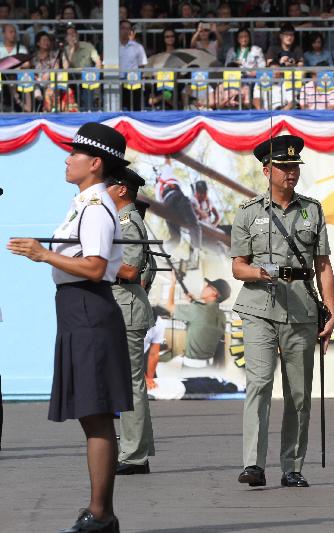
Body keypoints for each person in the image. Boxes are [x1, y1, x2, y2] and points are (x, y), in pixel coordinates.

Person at [7, 122, 133, 532]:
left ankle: (100, 513)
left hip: (88, 309)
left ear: (94, 163)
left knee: (95, 415)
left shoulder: (96, 207)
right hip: (77, 309)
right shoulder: (84, 203)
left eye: (74, 154)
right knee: (90, 415)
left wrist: (44, 256)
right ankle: (100, 512)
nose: (67, 158)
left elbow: (95, 267)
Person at [231, 135, 334, 489]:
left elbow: (323, 265)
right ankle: (253, 465)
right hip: (259, 306)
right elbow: (237, 267)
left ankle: (292, 465)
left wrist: (331, 310)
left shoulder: (313, 210)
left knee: (298, 392)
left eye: (294, 167)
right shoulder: (248, 212)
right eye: (283, 167)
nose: (291, 173)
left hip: (303, 309)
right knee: (258, 384)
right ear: (267, 170)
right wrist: (257, 272)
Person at [105, 167, 156, 476]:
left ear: (121, 189)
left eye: (108, 186)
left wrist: (94, 263)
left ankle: (134, 455)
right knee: (130, 382)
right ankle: (137, 452)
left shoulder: (127, 222)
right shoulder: (121, 221)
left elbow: (130, 270)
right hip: (121, 306)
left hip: (126, 305)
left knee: (131, 384)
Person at [165, 275, 229, 367]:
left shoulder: (198, 310)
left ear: (214, 293)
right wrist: (194, 301)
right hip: (209, 366)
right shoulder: (222, 315)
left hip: (191, 368)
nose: (204, 287)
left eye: (207, 286)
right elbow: (204, 317)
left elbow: (169, 306)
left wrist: (173, 283)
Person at [155, 156, 201, 251]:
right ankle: (196, 250)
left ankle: (161, 250)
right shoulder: (165, 175)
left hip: (167, 208)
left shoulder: (157, 189)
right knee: (193, 224)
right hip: (177, 198)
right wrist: (167, 154)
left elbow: (160, 205)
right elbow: (167, 163)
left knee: (176, 239)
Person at [63, 24, 101, 112]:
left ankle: (89, 110)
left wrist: (95, 73)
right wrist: (72, 49)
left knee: (88, 98)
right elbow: (65, 67)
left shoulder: (88, 46)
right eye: (69, 34)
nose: (72, 36)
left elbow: (98, 62)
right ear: (66, 38)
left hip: (87, 78)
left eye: (74, 34)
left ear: (78, 35)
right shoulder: (66, 49)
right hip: (72, 79)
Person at [119, 20, 148, 112]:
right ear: (118, 29)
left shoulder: (138, 47)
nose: (125, 31)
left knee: (135, 110)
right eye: (123, 28)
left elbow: (142, 65)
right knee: (118, 111)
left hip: (134, 84)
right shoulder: (112, 46)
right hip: (117, 83)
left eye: (128, 29)